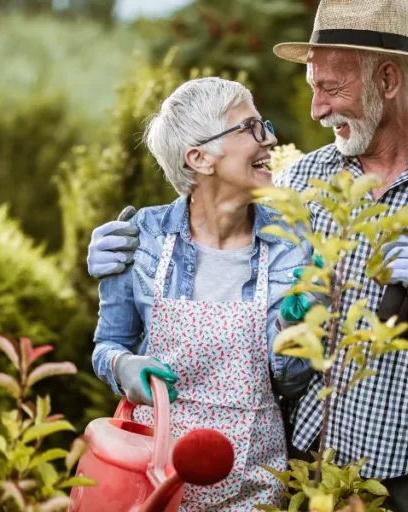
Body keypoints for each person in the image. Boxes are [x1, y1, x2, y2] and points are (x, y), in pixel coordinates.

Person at [86, 1, 408, 510]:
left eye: (331, 89)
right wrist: (119, 254)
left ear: (388, 79)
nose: (316, 110)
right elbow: (211, 231)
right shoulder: (301, 182)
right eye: (312, 88)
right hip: (303, 461)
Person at [88, 76, 315, 511]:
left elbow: (291, 381)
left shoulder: (288, 241)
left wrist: (296, 327)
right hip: (151, 484)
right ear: (200, 158)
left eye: (262, 124)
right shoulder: (143, 238)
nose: (269, 137)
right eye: (249, 128)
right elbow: (107, 345)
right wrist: (123, 364)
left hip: (252, 488)